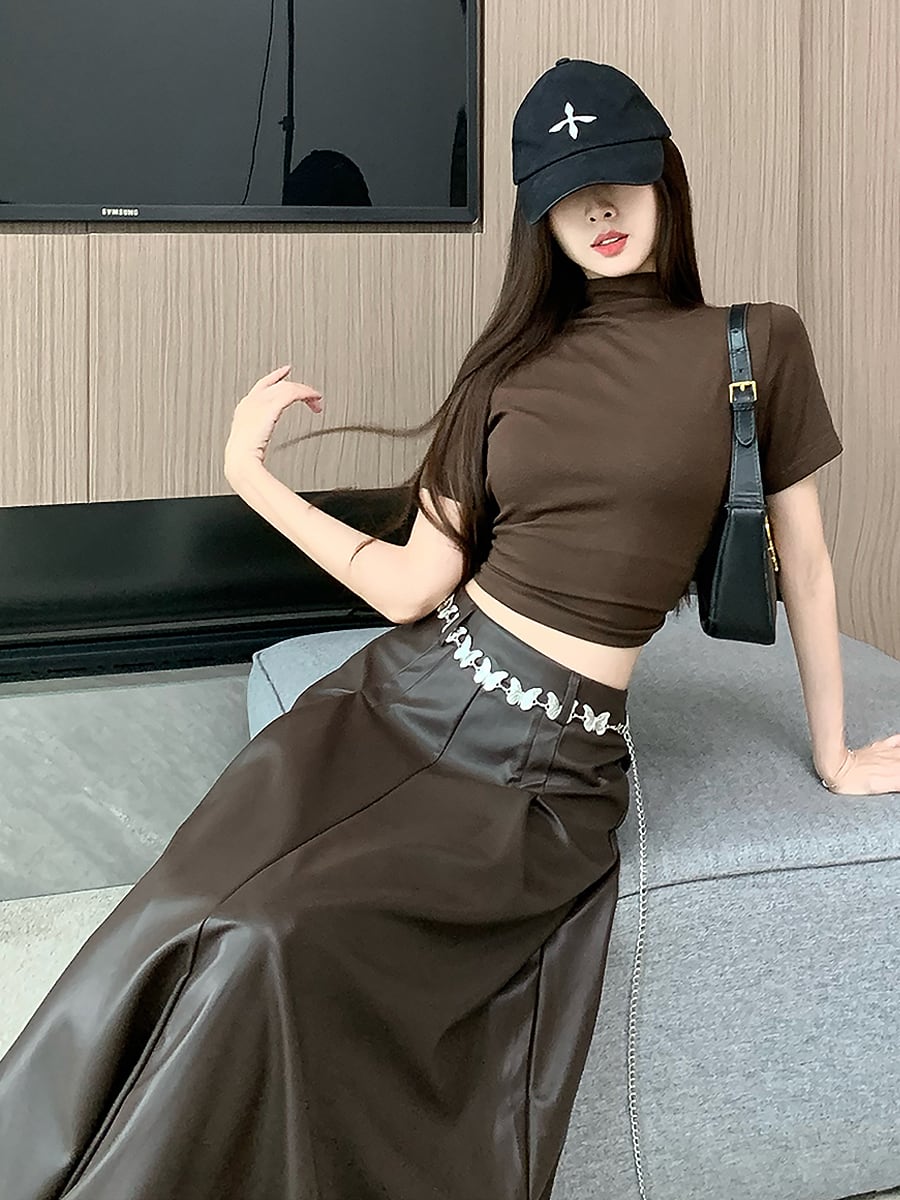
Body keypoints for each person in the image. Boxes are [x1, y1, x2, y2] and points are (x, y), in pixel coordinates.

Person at [1, 57, 899, 1200]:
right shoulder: (504, 375)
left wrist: (835, 752)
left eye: (619, 178)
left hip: (542, 773)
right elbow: (409, 587)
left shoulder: (755, 346)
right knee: (183, 902)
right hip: (404, 696)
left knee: (271, 939)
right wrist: (250, 477)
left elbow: (806, 565)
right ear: (540, 220)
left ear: (664, 178)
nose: (601, 209)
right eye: (569, 193)